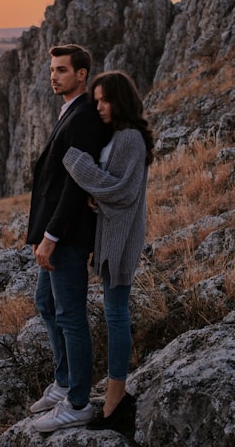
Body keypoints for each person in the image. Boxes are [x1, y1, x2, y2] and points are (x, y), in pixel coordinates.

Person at [62, 70, 153, 432]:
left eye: (104, 100)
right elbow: (113, 190)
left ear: (121, 100)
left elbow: (122, 192)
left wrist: (79, 166)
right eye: (95, 100)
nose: (98, 106)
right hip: (114, 236)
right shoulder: (120, 136)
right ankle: (116, 394)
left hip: (122, 239)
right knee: (114, 312)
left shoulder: (130, 138)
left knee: (116, 315)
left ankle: (116, 399)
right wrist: (97, 196)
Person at [27, 43, 111, 433]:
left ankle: (78, 402)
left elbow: (75, 188)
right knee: (45, 302)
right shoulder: (69, 111)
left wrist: (50, 236)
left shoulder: (82, 118)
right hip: (56, 233)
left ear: (82, 74)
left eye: (62, 70)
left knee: (71, 316)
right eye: (52, 70)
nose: (54, 76)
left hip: (68, 237)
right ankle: (63, 383)